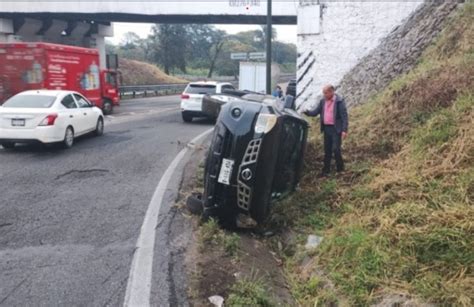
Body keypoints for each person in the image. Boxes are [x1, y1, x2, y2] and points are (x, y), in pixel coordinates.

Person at [304, 85, 349, 177]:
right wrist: (307, 112)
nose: (324, 95)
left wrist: (344, 130)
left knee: (336, 149)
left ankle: (340, 168)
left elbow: (344, 117)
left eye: (326, 93)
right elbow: (315, 112)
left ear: (332, 92)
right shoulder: (322, 101)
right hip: (326, 129)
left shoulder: (339, 102)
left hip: (336, 129)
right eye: (323, 93)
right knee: (327, 150)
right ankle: (326, 170)